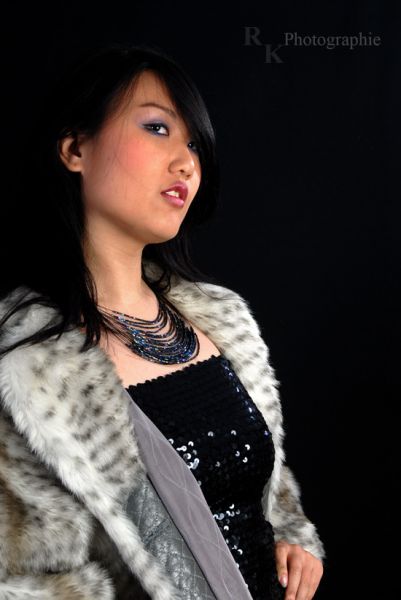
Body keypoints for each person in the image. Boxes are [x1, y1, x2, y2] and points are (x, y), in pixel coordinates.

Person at [0, 42, 325, 599]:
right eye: (157, 128)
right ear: (75, 149)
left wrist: (292, 543)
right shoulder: (24, 363)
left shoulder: (222, 321)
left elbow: (265, 499)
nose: (187, 162)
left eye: (194, 144)